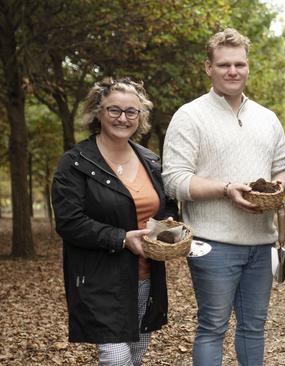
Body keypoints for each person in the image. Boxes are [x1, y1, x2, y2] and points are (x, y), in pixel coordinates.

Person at [162, 28, 285, 366]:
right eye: (224, 65)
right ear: (209, 68)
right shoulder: (189, 116)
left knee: (253, 328)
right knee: (213, 327)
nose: (233, 71)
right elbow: (174, 180)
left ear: (248, 67)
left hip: (261, 243)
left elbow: (282, 170)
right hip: (212, 243)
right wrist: (226, 188)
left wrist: (275, 188)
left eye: (240, 64)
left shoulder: (268, 118)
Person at [52, 77, 178, 365]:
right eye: (114, 110)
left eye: (131, 111)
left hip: (147, 277)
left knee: (135, 355)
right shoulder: (75, 163)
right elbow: (69, 222)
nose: (123, 118)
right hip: (101, 279)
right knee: (116, 357)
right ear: (98, 111)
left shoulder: (151, 160)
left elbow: (166, 204)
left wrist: (169, 224)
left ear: (140, 116)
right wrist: (121, 238)